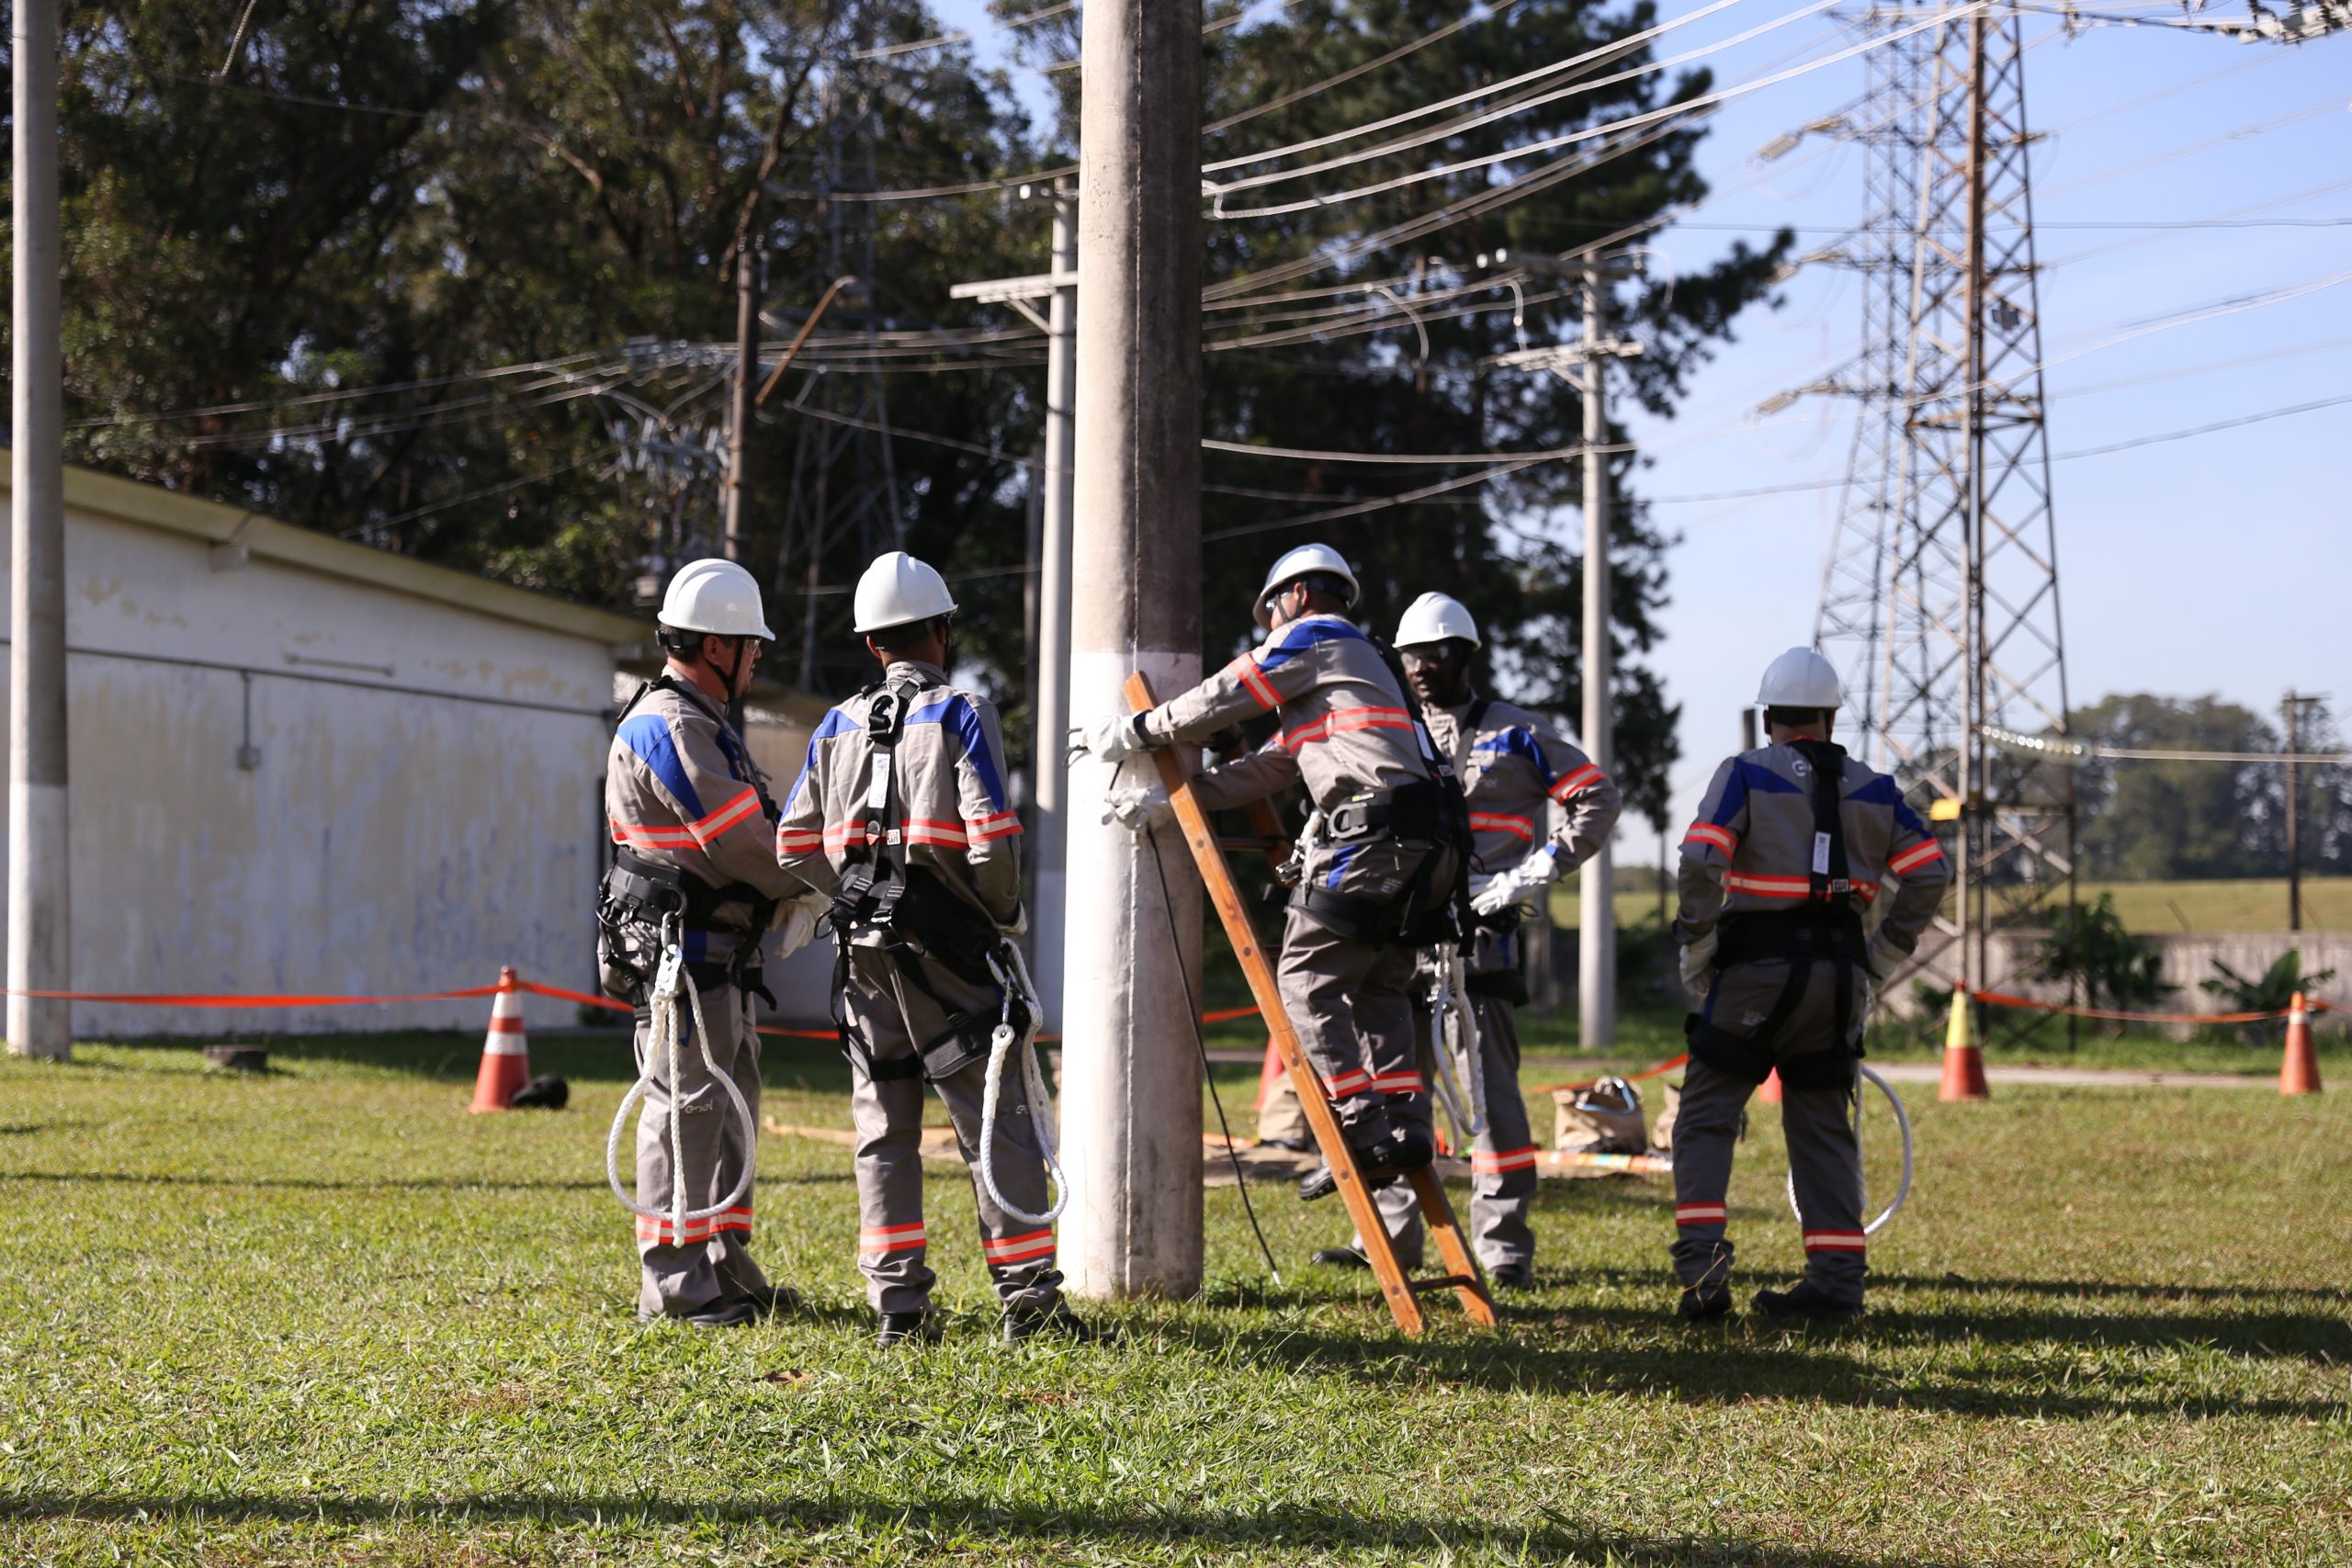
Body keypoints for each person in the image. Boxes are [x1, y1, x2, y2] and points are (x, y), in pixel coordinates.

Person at [776, 551, 1108, 1349]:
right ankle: (1028, 1303)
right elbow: (991, 841)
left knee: (882, 1125)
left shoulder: (835, 723)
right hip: (949, 952)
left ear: (871, 644)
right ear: (942, 630)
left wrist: (850, 892)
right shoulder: (963, 710)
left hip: (864, 959)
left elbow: (792, 844)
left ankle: (899, 1310)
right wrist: (1001, 914)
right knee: (996, 1117)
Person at [1080, 543, 1464, 1204]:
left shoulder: (1316, 637)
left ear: (1300, 594)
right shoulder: (1361, 674)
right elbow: (1273, 765)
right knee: (1378, 986)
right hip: (1434, 848)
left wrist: (1141, 729)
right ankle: (1404, 1126)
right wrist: (1175, 799)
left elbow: (1232, 690)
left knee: (1306, 981)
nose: (1270, 630)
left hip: (1379, 834)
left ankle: (1362, 1128)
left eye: (1272, 614)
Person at [1312, 592, 1620, 1290]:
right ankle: (1391, 1241)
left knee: (1490, 1096)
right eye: (1410, 655)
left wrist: (1537, 870)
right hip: (1396, 941)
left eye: (1434, 653)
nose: (1420, 667)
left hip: (1479, 941)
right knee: (1395, 1091)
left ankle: (1505, 1248)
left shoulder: (1518, 733)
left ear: (1466, 655)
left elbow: (1596, 796)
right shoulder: (1390, 731)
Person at [1670, 647, 1951, 1323]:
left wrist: (1698, 940)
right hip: (1838, 981)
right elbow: (1931, 873)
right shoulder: (1879, 790)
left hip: (1752, 975)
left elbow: (1704, 857)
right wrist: (1882, 956)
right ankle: (1836, 1286)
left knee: (1706, 1118)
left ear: (1769, 715)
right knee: (1823, 1128)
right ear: (1830, 717)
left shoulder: (1745, 773)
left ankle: (1706, 1279)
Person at [598, 558, 820, 1328]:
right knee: (684, 1106)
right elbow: (743, 844)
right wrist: (819, 880)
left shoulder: (703, 721)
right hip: (680, 954)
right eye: (751, 644)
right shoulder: (673, 725)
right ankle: (673, 1283)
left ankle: (722, 1263)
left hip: (714, 953)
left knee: (727, 1106)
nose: (759, 657)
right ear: (718, 645)